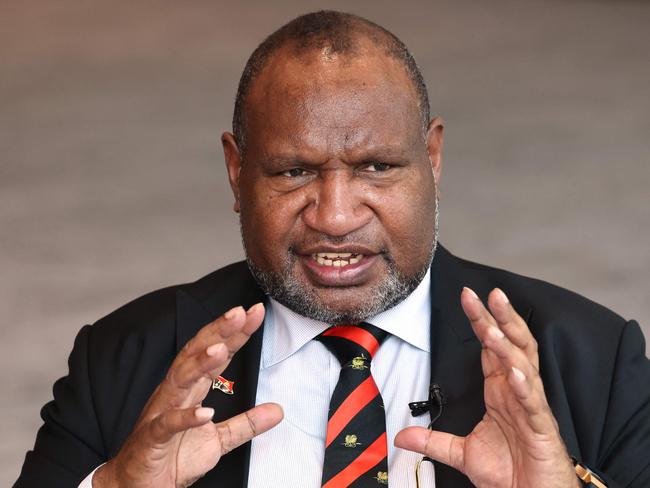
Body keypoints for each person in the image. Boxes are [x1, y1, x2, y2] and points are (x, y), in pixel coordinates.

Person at [15, 10, 650, 488]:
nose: (336, 217)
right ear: (237, 173)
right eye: (293, 172)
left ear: (432, 158)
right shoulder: (125, 359)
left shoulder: (590, 360)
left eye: (375, 166)